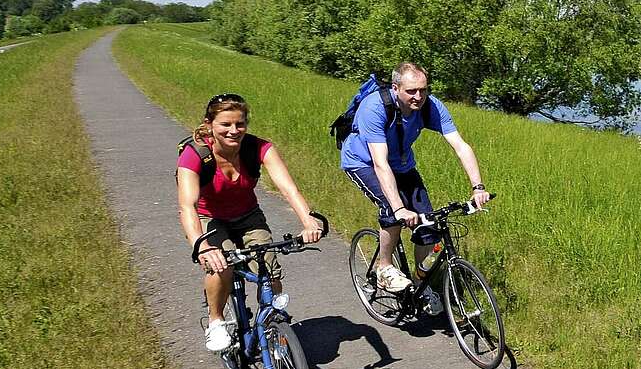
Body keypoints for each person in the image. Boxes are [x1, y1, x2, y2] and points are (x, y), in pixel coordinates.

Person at [178, 93, 324, 353]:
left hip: (247, 215)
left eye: (240, 124)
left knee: (269, 266)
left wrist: (308, 221)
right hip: (209, 217)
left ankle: (273, 321)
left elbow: (288, 189)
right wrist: (202, 247)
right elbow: (187, 205)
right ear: (210, 124)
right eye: (225, 124)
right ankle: (216, 320)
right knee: (221, 265)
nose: (234, 131)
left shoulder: (259, 149)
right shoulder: (195, 154)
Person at [340, 63, 492, 308]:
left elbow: (461, 146)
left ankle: (420, 286)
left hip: (401, 164)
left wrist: (478, 187)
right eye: (411, 91)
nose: (418, 97)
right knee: (391, 210)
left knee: (428, 224)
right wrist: (400, 208)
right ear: (395, 88)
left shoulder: (431, 107)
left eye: (423, 90)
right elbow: (380, 164)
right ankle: (384, 268)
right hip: (363, 162)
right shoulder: (375, 108)